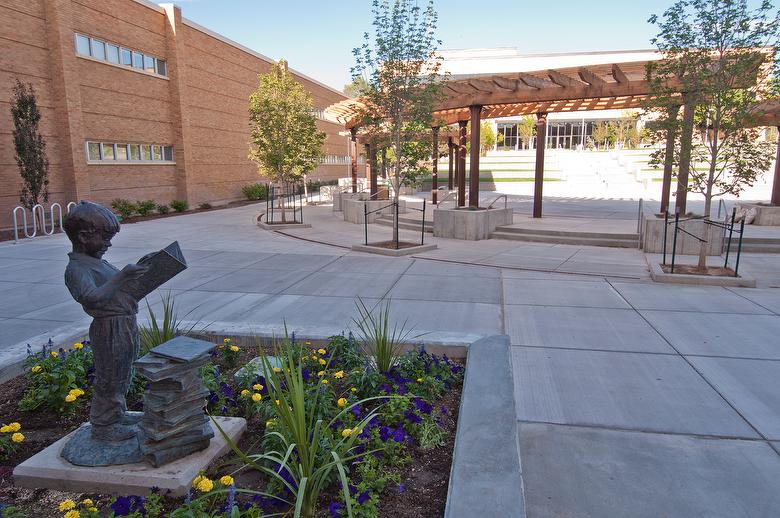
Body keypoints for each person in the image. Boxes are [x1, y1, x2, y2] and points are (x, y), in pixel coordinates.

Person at [63, 201, 148, 442]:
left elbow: (115, 291)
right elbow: (91, 298)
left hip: (124, 323)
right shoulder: (77, 269)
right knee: (111, 375)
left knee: (124, 371)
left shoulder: (97, 262)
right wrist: (123, 276)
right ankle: (104, 425)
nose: (109, 244)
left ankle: (117, 414)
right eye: (105, 238)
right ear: (83, 236)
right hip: (109, 327)